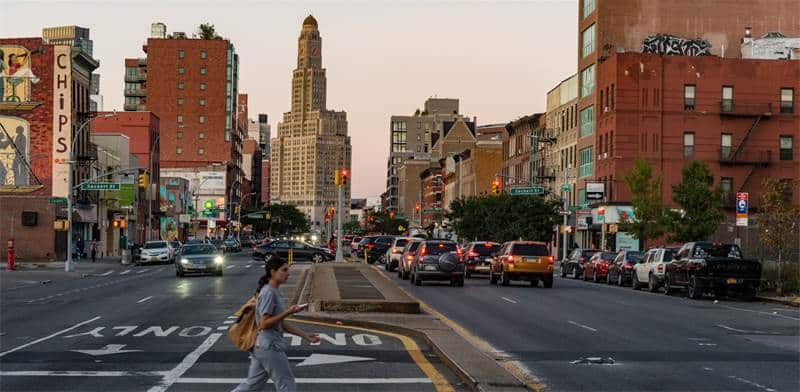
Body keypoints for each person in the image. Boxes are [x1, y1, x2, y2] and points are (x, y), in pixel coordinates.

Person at [233, 257, 320, 392]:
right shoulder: (269, 293)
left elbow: (280, 324)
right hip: (269, 346)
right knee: (287, 384)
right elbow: (264, 323)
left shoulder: (274, 291)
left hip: (262, 346)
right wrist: (289, 311)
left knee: (251, 386)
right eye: (284, 270)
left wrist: (305, 335)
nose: (288, 273)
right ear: (273, 272)